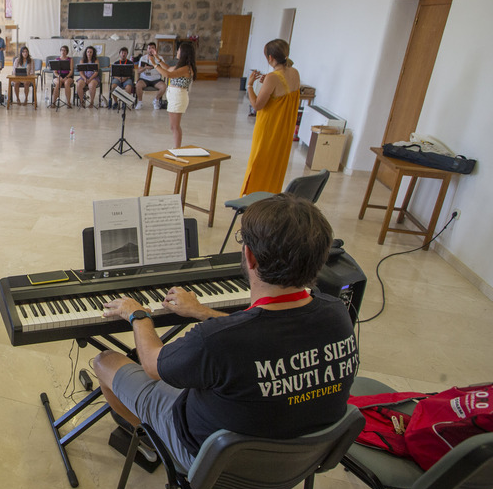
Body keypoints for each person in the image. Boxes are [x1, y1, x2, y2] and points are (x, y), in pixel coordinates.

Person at [93, 194, 358, 471]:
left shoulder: (216, 340)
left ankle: (154, 441)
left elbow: (151, 364)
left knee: (106, 361)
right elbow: (262, 335)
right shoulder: (337, 314)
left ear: (250, 257)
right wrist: (202, 312)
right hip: (296, 462)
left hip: (213, 461)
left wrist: (138, 315)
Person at [240, 39, 303, 196]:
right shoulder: (295, 72)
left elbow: (257, 105)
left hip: (269, 129)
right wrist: (267, 82)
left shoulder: (272, 77)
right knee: (275, 165)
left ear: (270, 58)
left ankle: (254, 196)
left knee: (259, 163)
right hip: (284, 129)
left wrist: (249, 85)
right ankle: (271, 195)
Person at [151, 42, 197, 148]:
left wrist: (154, 64)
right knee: (173, 126)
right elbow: (167, 68)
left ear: (184, 52)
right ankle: (176, 148)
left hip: (179, 97)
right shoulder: (181, 66)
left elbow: (168, 74)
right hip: (174, 96)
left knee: (175, 126)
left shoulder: (186, 68)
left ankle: (177, 149)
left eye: (179, 50)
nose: (177, 52)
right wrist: (156, 56)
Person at [136, 42, 167, 110]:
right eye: (149, 48)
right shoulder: (143, 58)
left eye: (152, 48)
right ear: (147, 50)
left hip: (156, 79)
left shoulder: (160, 58)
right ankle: (140, 102)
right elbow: (138, 71)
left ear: (155, 49)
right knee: (138, 85)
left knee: (164, 87)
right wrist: (145, 68)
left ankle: (156, 100)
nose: (150, 50)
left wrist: (157, 67)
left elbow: (164, 69)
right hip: (144, 79)